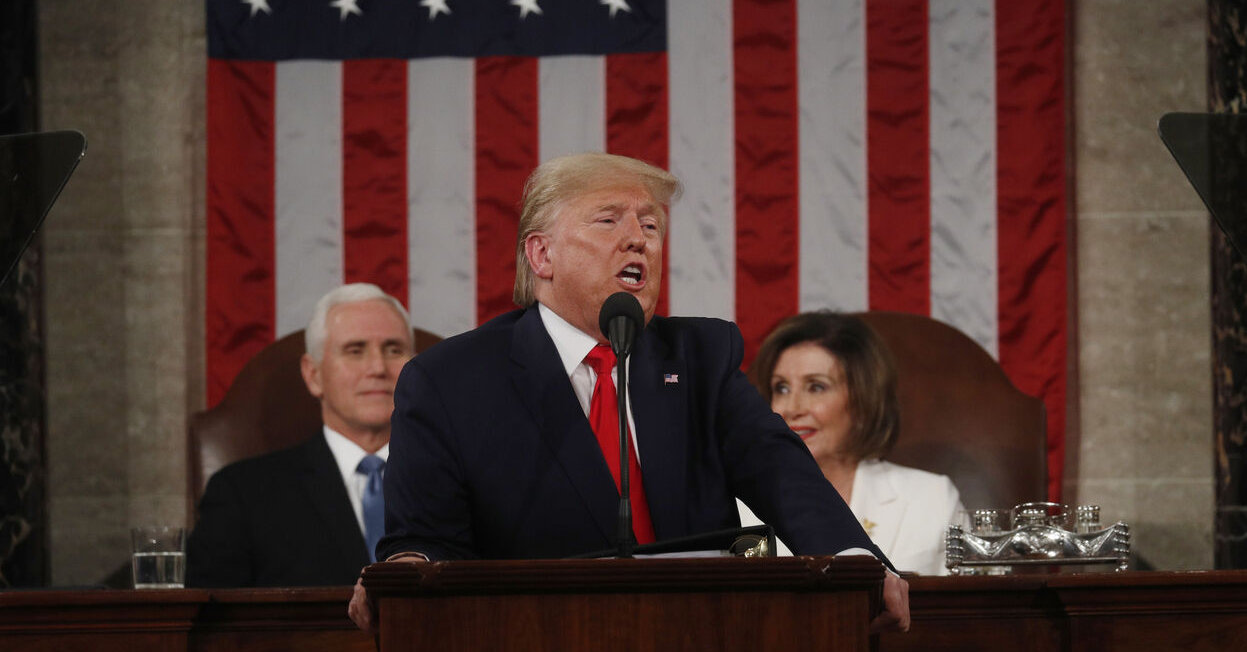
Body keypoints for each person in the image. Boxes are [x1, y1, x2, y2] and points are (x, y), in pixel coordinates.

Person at [348, 153, 908, 633]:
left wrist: (854, 559)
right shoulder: (451, 381)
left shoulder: (698, 357)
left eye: (651, 225)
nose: (637, 238)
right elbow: (424, 541)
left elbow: (780, 470)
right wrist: (406, 570)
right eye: (608, 220)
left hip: (705, 633)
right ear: (541, 256)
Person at [186, 282, 415, 587]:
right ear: (313, 375)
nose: (377, 367)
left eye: (394, 349)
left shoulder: (462, 482)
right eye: (355, 350)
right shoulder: (243, 495)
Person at [738, 311, 965, 575]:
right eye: (782, 388)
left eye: (816, 387)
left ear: (863, 399)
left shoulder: (931, 498)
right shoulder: (737, 506)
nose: (791, 408)